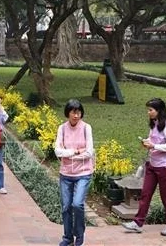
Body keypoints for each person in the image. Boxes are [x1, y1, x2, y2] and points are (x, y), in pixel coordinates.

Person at [123, 98, 166, 236]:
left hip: (164, 167)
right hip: (152, 165)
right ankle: (138, 223)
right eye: (148, 110)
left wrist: (154, 146)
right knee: (145, 194)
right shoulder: (154, 124)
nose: (148, 112)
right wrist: (147, 142)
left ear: (159, 110)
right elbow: (153, 140)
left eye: (150, 110)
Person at [55, 99, 94, 246]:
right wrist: (76, 151)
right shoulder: (62, 129)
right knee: (66, 207)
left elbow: (89, 153)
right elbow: (57, 151)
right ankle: (68, 237)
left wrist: (67, 155)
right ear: (68, 113)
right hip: (66, 174)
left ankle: (79, 237)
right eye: (73, 112)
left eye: (79, 112)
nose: (76, 115)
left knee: (77, 204)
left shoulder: (86, 128)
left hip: (83, 173)